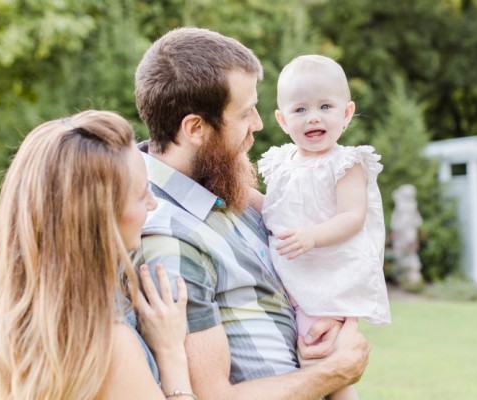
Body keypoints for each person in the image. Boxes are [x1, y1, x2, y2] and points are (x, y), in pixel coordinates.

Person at [134, 27, 371, 400]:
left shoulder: (221, 189)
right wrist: (335, 371)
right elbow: (214, 396)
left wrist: (335, 323)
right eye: (245, 113)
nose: (259, 124)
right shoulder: (170, 240)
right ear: (195, 128)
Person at [0, 110, 195, 399]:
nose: (152, 204)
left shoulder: (7, 321)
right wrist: (171, 353)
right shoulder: (110, 343)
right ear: (100, 219)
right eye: (142, 194)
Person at [256, 54, 391, 400]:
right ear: (282, 120)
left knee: (322, 358)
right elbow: (273, 209)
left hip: (327, 279)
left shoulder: (345, 163)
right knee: (301, 358)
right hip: (288, 276)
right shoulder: (280, 162)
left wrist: (312, 236)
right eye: (300, 109)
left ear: (347, 113)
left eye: (325, 106)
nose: (313, 117)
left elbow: (352, 216)